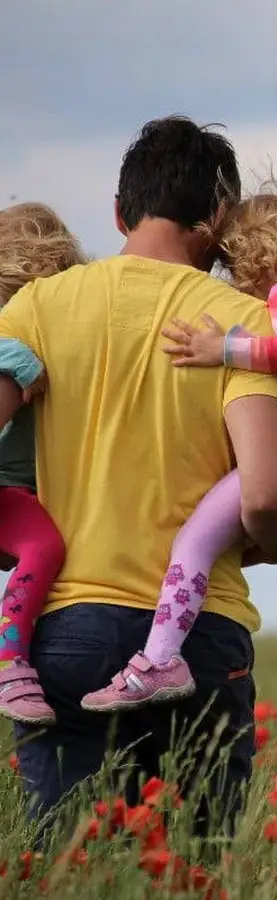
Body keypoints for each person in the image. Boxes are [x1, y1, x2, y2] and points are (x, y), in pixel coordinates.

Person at [0, 116, 277, 837]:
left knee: (67, 869)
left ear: (119, 212)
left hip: (68, 629)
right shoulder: (244, 326)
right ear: (220, 219)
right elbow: (264, 495)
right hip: (199, 637)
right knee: (195, 868)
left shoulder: (39, 306)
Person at [81, 186, 277, 711]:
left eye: (232, 266)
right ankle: (177, 631)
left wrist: (219, 348)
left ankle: (159, 661)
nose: (233, 282)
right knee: (217, 546)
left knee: (193, 542)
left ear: (257, 255)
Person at [0, 204, 83, 724]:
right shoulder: (16, 349)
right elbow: (23, 366)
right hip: (6, 488)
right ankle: (9, 660)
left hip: (21, 490)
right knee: (44, 547)